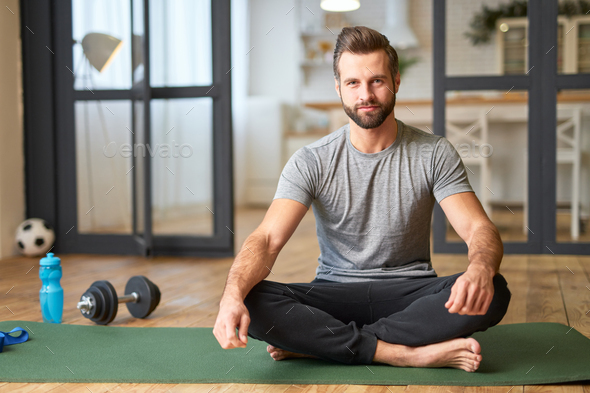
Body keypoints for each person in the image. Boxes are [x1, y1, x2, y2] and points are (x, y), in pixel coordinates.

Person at [213, 26, 511, 373]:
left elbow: (478, 228)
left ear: (396, 81)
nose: (365, 94)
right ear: (338, 88)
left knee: (495, 289)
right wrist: (231, 295)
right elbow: (266, 240)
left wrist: (480, 269)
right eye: (353, 83)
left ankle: (322, 346)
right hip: (334, 295)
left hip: (411, 293)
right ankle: (403, 353)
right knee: (252, 297)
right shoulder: (312, 160)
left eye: (377, 81)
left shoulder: (434, 153)